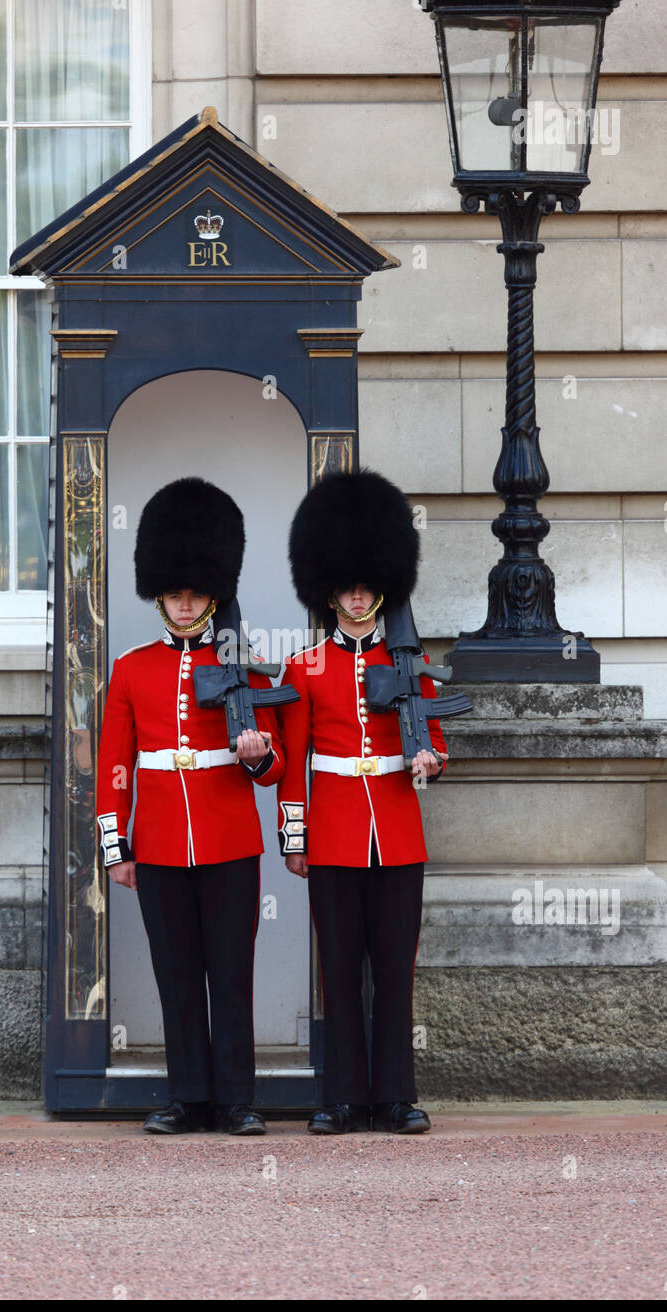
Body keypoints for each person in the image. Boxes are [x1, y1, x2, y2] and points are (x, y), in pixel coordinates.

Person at [95, 476, 284, 1136]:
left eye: (194, 592)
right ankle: (189, 1098)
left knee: (230, 975)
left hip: (230, 840)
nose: (182, 604)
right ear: (161, 594)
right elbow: (115, 766)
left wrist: (257, 752)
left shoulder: (249, 669)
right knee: (177, 978)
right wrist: (117, 848)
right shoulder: (132, 668)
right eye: (174, 593)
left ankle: (236, 1099)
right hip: (161, 844)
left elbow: (274, 769)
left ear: (213, 592)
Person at [276, 469, 448, 1135]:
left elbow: (433, 736)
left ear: (384, 586)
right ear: (330, 590)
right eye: (347, 585)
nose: (357, 594)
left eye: (367, 583)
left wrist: (429, 759)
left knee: (394, 974)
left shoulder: (411, 658)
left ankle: (396, 1096)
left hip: (398, 832)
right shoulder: (305, 667)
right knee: (341, 973)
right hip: (335, 833)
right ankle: (343, 1096)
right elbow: (294, 771)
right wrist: (296, 840)